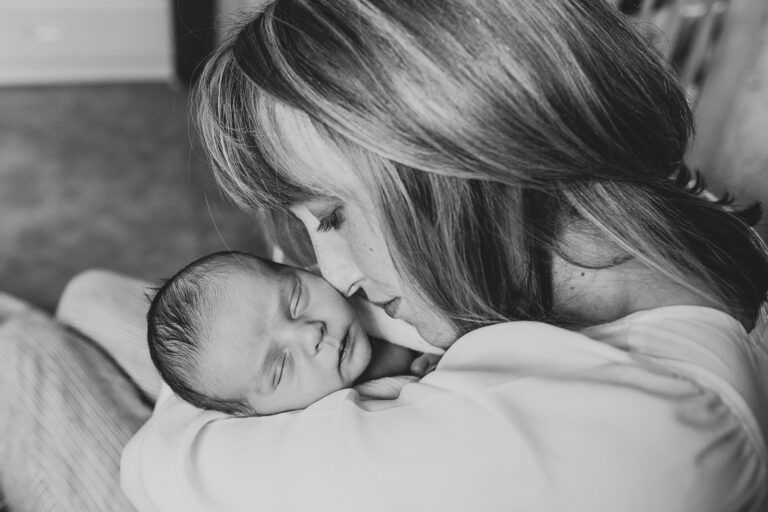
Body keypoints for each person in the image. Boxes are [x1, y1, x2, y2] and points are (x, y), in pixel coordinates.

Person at [120, 0, 768, 510]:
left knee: (32, 353)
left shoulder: (622, 435)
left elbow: (156, 470)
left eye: (333, 216)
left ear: (454, 170)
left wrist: (217, 383)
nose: (336, 273)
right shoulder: (643, 250)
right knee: (111, 297)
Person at [147, 250, 438, 416]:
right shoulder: (316, 426)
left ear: (298, 269)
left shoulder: (359, 276)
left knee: (98, 296)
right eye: (281, 366)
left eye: (297, 301)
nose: (310, 334)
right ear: (256, 413)